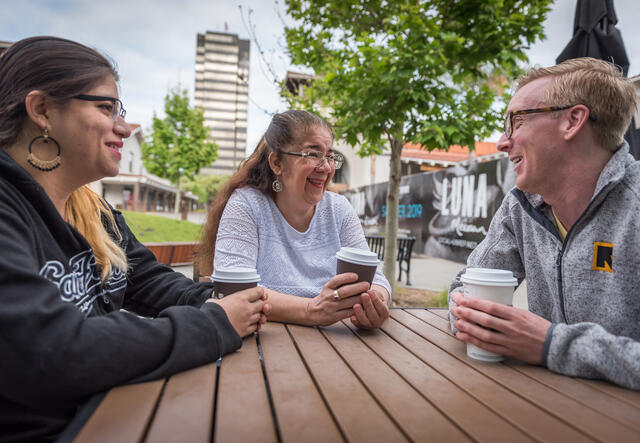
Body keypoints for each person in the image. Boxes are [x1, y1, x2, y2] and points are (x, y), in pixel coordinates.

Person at [0, 36, 269, 441]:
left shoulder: (94, 210)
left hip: (110, 412)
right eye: (105, 107)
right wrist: (214, 324)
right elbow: (53, 351)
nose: (123, 127)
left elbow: (148, 279)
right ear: (42, 111)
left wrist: (217, 298)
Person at [448, 57, 640, 389]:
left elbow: (548, 345)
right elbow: (463, 289)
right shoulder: (521, 205)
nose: (502, 142)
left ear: (573, 121)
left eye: (516, 121)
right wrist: (476, 319)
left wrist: (552, 344)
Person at [201, 110, 392, 329]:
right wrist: (311, 311)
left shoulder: (338, 209)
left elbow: (377, 280)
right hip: (263, 343)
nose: (327, 167)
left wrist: (373, 303)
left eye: (330, 155)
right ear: (277, 163)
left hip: (335, 344)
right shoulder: (247, 205)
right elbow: (233, 289)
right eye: (313, 154)